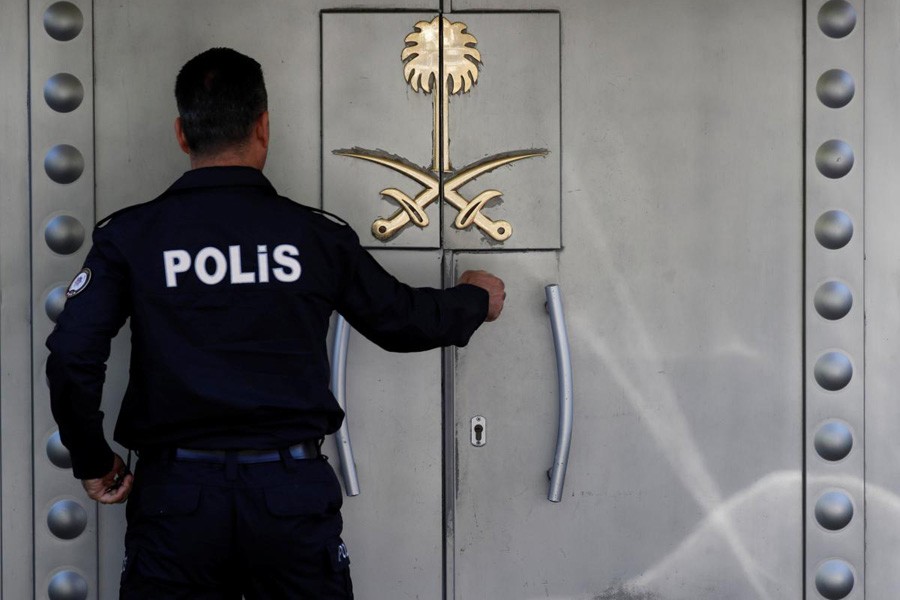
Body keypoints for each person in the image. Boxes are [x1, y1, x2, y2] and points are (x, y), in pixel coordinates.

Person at [46, 47, 505, 599]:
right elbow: (401, 320)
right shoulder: (314, 237)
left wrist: (93, 459)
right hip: (288, 496)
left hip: (176, 500)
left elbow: (73, 355)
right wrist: (476, 299)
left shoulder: (130, 238)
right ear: (263, 126)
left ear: (182, 134)